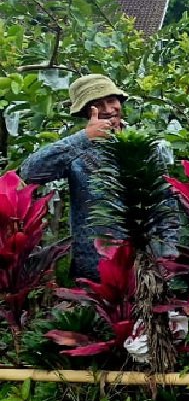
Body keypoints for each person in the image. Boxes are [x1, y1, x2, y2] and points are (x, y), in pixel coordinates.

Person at [19, 74, 173, 280]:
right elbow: (30, 173)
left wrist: (170, 252)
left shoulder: (145, 146)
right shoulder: (76, 150)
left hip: (147, 263)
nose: (109, 110)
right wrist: (84, 138)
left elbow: (166, 202)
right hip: (95, 266)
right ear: (85, 112)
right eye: (98, 105)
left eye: (111, 101)